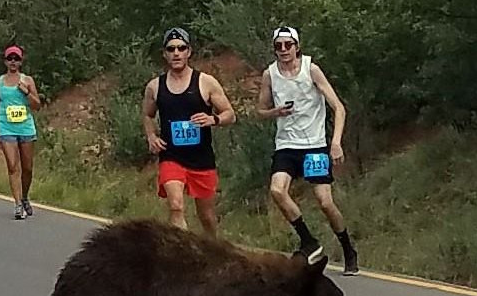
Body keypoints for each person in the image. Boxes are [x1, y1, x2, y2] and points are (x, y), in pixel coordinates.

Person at [256, 26, 359, 275]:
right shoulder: (270, 74)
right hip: (287, 145)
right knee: (277, 190)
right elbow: (260, 111)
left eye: (288, 45)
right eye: (278, 46)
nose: (283, 50)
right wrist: (275, 112)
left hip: (314, 146)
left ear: (297, 46)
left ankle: (348, 249)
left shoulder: (310, 69)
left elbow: (338, 107)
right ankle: (308, 241)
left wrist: (335, 142)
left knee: (325, 202)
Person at [142, 27, 236, 237]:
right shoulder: (155, 87)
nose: (176, 53)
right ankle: (181, 252)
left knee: (207, 216)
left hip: (201, 158)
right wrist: (151, 136)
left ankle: (213, 250)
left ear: (189, 52)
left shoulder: (206, 82)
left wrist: (213, 119)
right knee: (176, 206)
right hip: (171, 156)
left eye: (181, 48)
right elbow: (147, 115)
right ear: (164, 54)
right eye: (171, 49)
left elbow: (230, 114)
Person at [0, 45, 42, 220]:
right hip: (7, 127)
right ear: (5, 61)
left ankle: (24, 197)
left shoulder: (27, 80)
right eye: (10, 58)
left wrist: (26, 93)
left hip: (25, 127)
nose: (13, 62)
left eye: (16, 59)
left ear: (21, 61)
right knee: (12, 166)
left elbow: (37, 105)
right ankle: (18, 204)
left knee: (27, 168)